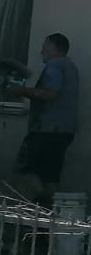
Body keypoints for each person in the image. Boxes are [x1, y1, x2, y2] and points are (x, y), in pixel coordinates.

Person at [9, 33, 80, 206]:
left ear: (54, 47)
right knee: (49, 176)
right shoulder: (70, 66)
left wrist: (21, 91)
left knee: (25, 170)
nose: (41, 51)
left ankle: (34, 208)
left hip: (46, 130)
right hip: (63, 131)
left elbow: (49, 92)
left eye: (45, 46)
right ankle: (46, 218)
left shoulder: (55, 65)